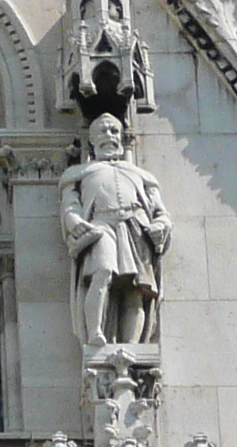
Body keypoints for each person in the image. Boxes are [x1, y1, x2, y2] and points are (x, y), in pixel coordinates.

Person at [60, 111, 168, 348]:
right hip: (101, 227)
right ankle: (95, 332)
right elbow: (70, 205)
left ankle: (132, 344)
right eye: (102, 131)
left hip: (135, 228)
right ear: (91, 139)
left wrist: (160, 226)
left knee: (138, 287)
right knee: (102, 272)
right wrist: (74, 221)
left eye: (114, 130)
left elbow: (160, 212)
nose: (109, 135)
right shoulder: (79, 173)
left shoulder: (141, 175)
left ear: (122, 136)